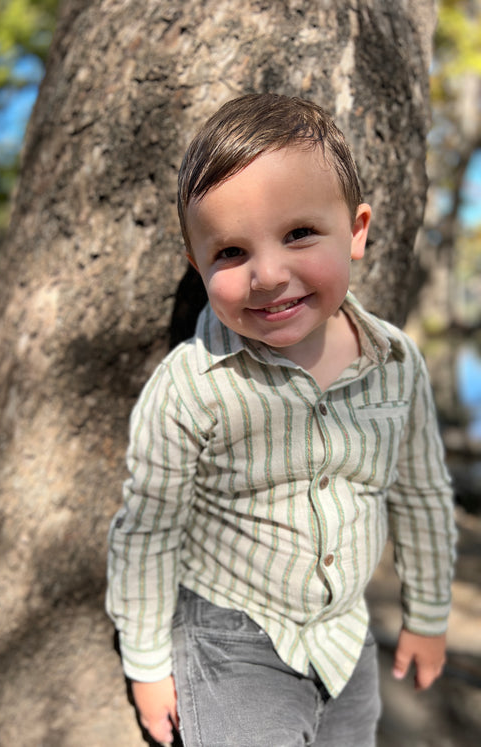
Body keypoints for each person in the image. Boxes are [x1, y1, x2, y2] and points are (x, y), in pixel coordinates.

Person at [106, 93, 456, 747]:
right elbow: (148, 528)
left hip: (344, 634)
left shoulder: (396, 361)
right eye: (231, 253)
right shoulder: (191, 385)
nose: (268, 274)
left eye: (298, 234)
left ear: (356, 230)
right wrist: (146, 662)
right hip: (232, 628)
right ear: (197, 265)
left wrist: (430, 612)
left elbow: (421, 493)